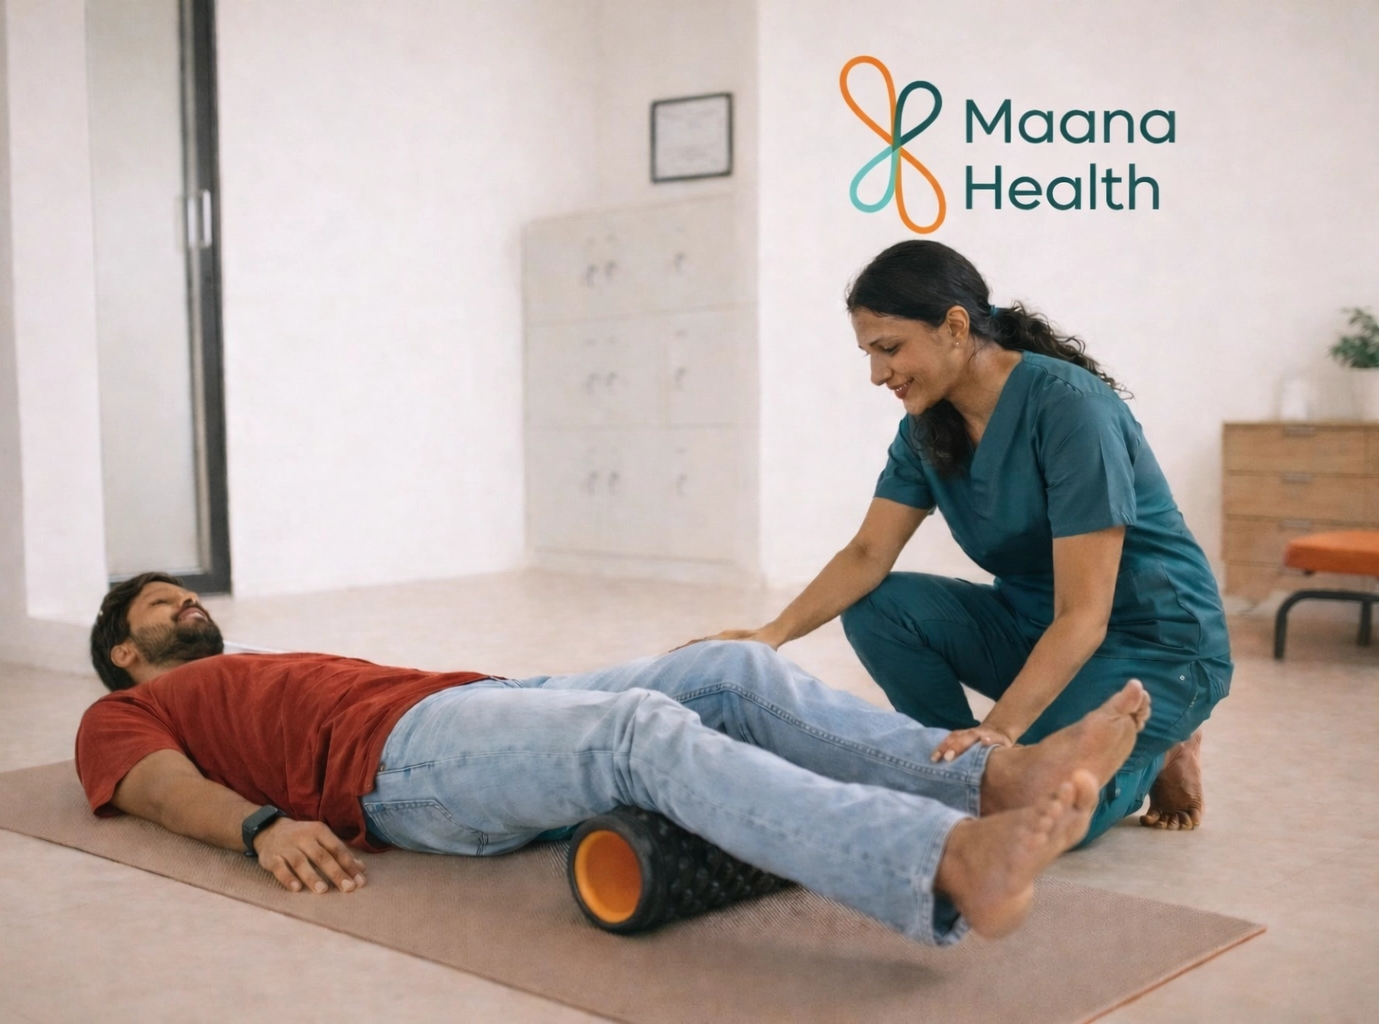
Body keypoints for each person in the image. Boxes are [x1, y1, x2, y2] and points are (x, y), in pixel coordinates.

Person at [78, 571, 1152, 948]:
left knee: (730, 667)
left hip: (466, 701)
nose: (186, 599)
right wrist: (261, 826)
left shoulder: (251, 658)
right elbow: (158, 790)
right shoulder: (122, 715)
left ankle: (986, 775)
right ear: (125, 653)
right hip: (394, 766)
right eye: (158, 602)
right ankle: (944, 860)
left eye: (186, 590)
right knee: (639, 734)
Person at [702, 240, 1230, 846]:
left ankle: (1151, 756)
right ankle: (957, 771)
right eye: (869, 353)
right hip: (1038, 629)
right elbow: (867, 555)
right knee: (879, 606)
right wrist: (774, 633)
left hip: (1154, 645)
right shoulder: (928, 425)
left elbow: (1086, 615)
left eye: (889, 348)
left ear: (955, 326)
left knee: (1034, 809)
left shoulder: (1071, 411)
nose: (877, 374)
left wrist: (1002, 729)